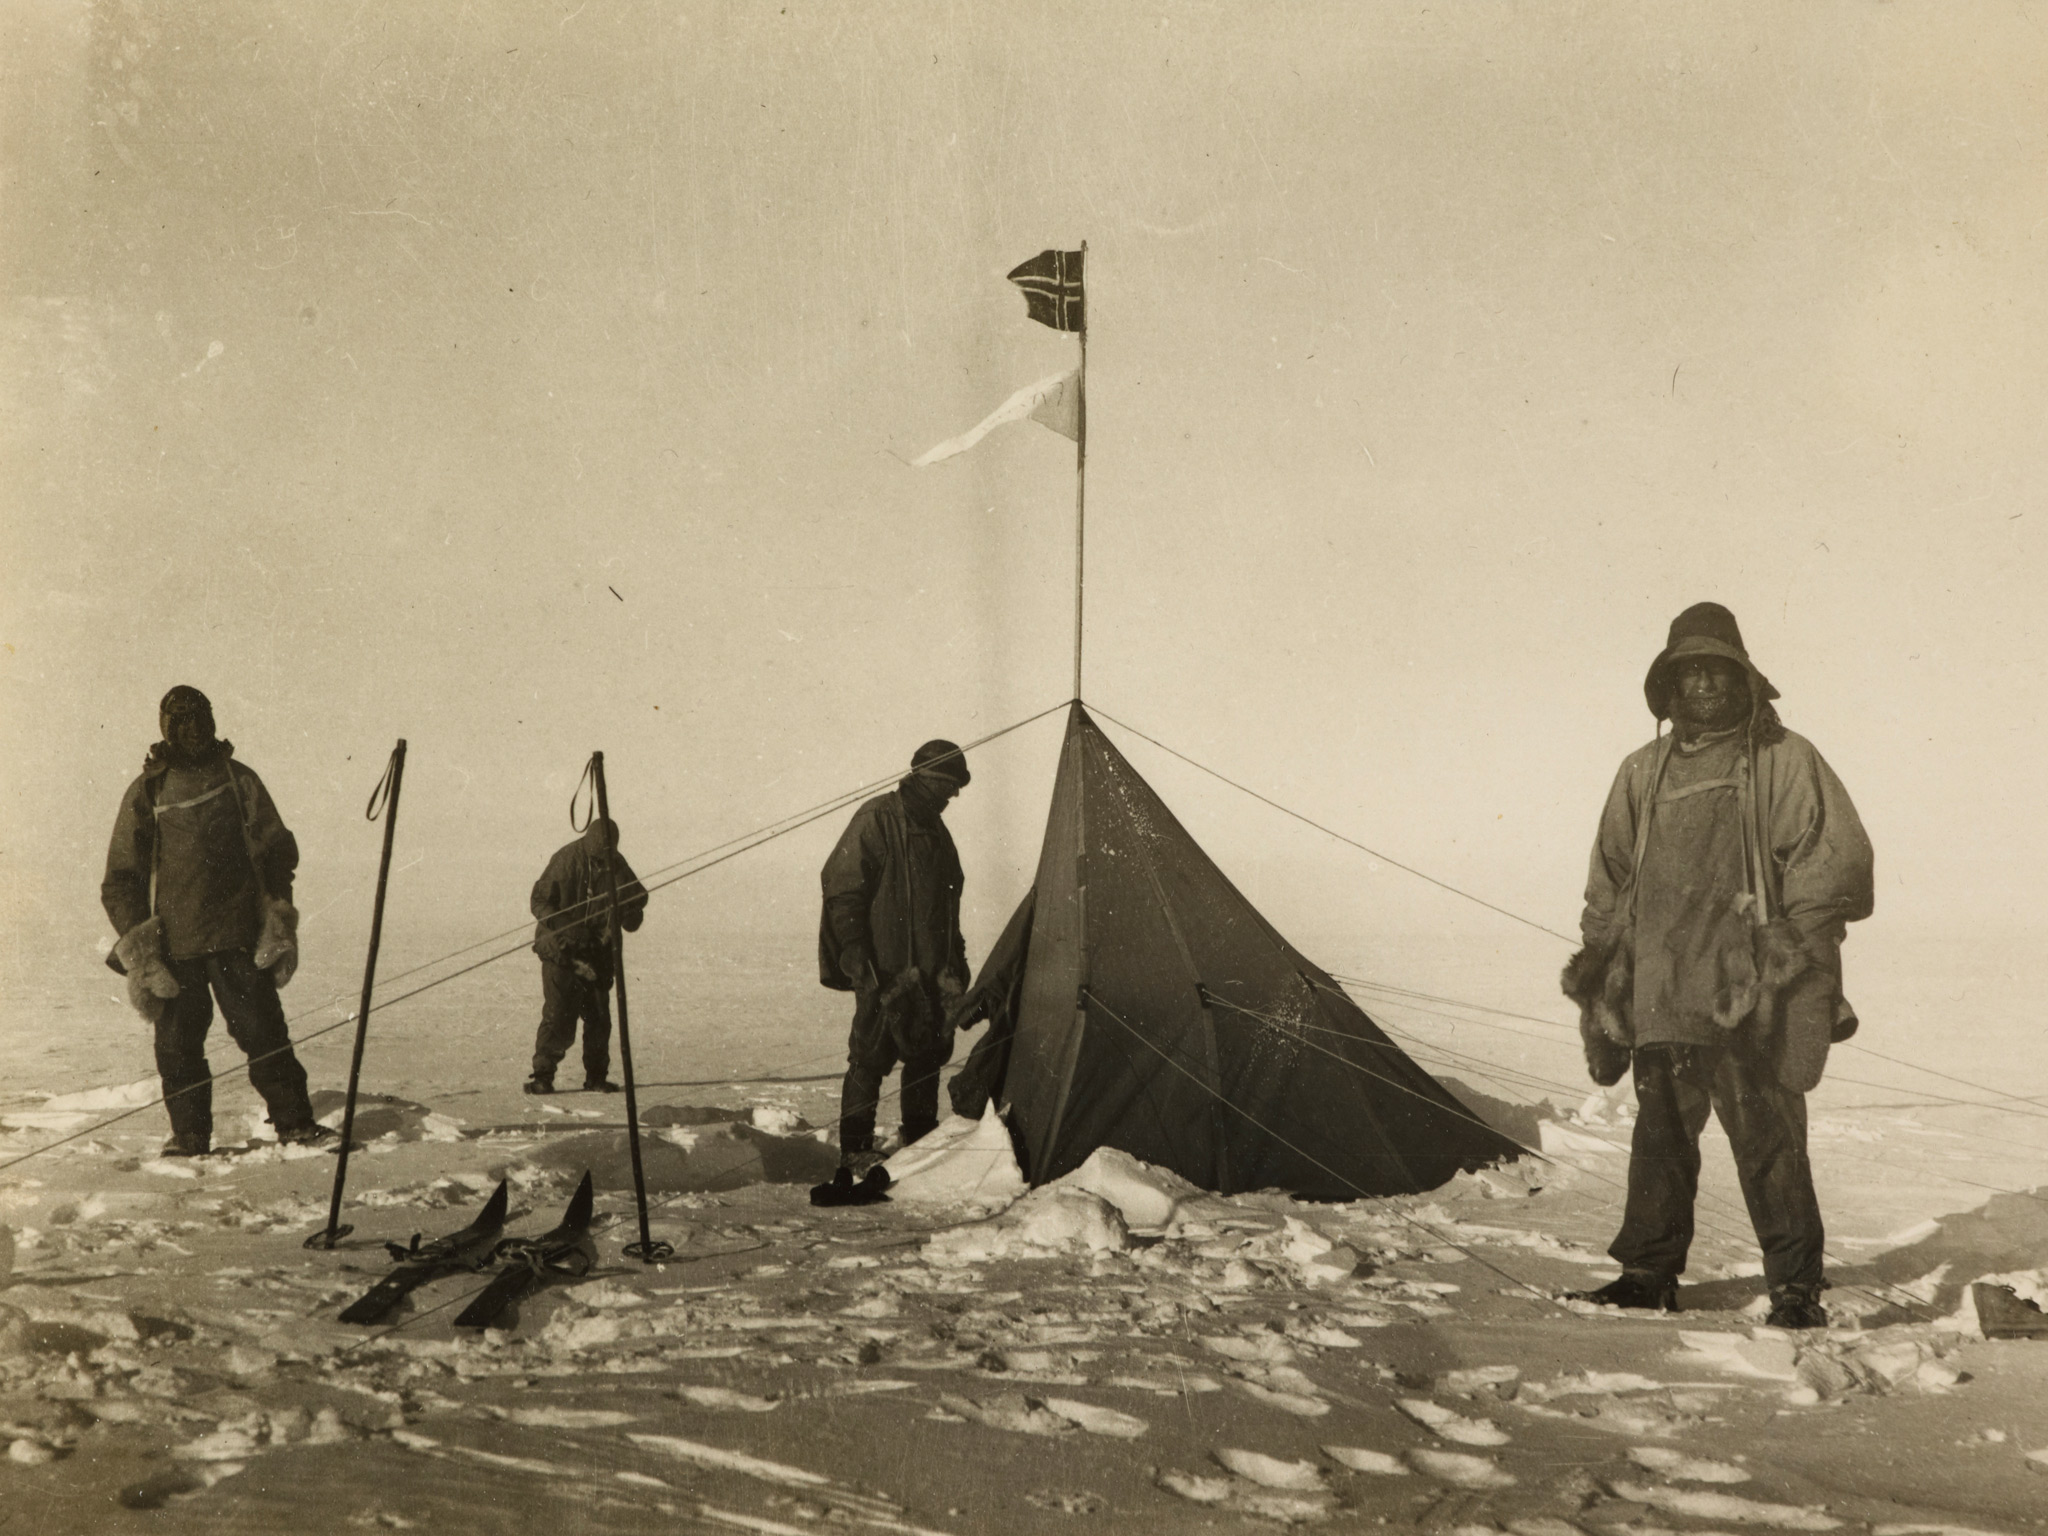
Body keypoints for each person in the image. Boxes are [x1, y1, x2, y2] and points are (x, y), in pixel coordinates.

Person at [1562, 603, 1873, 1329]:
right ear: (1666, 688)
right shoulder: (1642, 771)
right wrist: (1604, 966)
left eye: (1716, 668)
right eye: (1687, 671)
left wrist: (1797, 957)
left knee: (1769, 1137)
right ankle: (1648, 1272)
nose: (1702, 682)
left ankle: (1795, 1285)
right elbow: (1608, 877)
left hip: (1747, 991)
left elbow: (1833, 862)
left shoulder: (1785, 759)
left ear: (1743, 678)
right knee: (1660, 1135)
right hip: (1661, 986)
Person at [101, 686, 330, 1157]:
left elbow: (277, 851)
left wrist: (277, 914)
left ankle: (295, 1124)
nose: (195, 727)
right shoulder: (149, 791)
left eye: (201, 716)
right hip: (174, 949)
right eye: (182, 719)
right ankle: (188, 1138)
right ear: (167, 727)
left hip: (237, 937)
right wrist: (139, 944)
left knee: (264, 1032)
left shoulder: (237, 779)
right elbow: (122, 878)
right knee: (179, 1048)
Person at [818, 739, 973, 1167]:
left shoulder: (938, 832)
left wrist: (954, 961)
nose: (954, 794)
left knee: (925, 1058)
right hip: (883, 970)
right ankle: (854, 1150)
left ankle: (918, 1146)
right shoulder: (878, 817)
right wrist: (855, 951)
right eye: (949, 784)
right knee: (870, 1058)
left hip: (930, 972)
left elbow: (948, 907)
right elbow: (843, 887)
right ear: (926, 778)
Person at [526, 817, 647, 1094]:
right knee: (559, 1016)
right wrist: (569, 928)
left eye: (608, 854)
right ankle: (542, 1076)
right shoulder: (567, 859)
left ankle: (596, 1076)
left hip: (597, 953)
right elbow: (539, 902)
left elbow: (636, 897)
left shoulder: (616, 863)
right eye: (599, 855)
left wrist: (630, 913)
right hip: (561, 951)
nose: (604, 860)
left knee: (599, 1016)